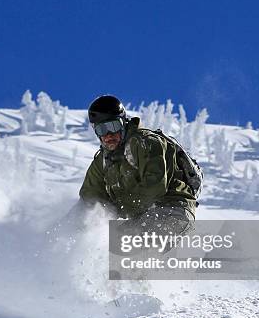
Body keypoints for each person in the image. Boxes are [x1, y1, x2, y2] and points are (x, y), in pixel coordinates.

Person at [79, 95, 197, 236]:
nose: (108, 134)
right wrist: (66, 229)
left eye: (113, 126)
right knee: (106, 242)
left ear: (123, 122)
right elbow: (89, 201)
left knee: (123, 241)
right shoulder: (103, 161)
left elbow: (154, 187)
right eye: (101, 130)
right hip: (143, 217)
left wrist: (118, 208)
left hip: (172, 210)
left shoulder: (145, 142)